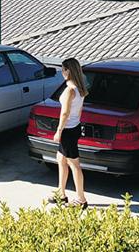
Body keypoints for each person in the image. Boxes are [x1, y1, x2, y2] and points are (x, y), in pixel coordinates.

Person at [47, 58, 89, 209]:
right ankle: (61, 192)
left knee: (74, 163)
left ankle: (81, 199)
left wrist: (59, 131)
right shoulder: (79, 88)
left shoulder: (70, 90)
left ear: (68, 71)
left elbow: (64, 113)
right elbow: (78, 110)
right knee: (61, 158)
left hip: (68, 130)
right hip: (74, 127)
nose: (62, 72)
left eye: (63, 69)